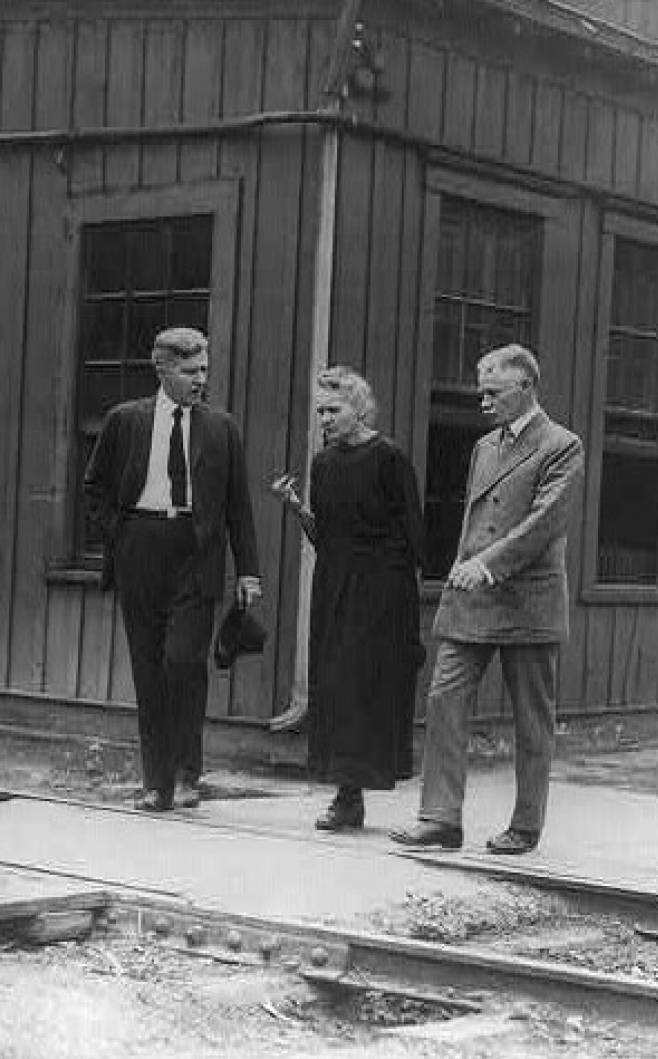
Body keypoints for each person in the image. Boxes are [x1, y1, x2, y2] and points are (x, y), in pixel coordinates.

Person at [390, 344, 583, 855]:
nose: (483, 401)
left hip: (528, 602)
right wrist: (463, 570)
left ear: (526, 387)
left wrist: (487, 566)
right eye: (481, 392)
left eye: (493, 392)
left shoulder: (562, 445)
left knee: (531, 718)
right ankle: (440, 818)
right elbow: (475, 521)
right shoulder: (484, 447)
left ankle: (526, 825)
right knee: (443, 698)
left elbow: (545, 522)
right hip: (472, 598)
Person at [84, 326, 262, 813]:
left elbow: (238, 506)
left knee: (183, 661)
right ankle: (155, 782)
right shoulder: (126, 421)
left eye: (204, 369)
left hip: (196, 550)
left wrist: (249, 571)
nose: (199, 380)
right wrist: (119, 539)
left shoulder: (221, 428)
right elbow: (94, 488)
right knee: (147, 667)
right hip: (140, 546)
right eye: (189, 371)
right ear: (162, 370)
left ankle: (188, 772)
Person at [270, 367, 427, 831]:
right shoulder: (324, 463)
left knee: (367, 687)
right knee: (336, 687)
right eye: (319, 411)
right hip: (335, 589)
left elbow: (414, 536)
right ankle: (346, 795)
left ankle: (356, 789)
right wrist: (298, 509)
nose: (324, 419)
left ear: (360, 408)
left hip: (381, 591)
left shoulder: (389, 458)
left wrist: (391, 594)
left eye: (332, 410)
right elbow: (329, 538)